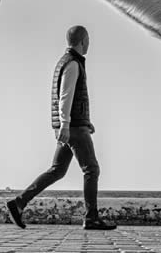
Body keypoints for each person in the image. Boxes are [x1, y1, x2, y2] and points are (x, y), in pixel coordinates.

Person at [7, 25, 116, 230]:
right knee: (91, 169)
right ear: (83, 41)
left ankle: (19, 203)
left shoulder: (64, 62)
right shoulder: (73, 63)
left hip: (72, 125)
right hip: (72, 128)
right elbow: (65, 97)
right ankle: (91, 217)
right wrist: (66, 124)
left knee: (57, 170)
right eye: (88, 40)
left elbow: (69, 99)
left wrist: (83, 121)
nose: (90, 44)